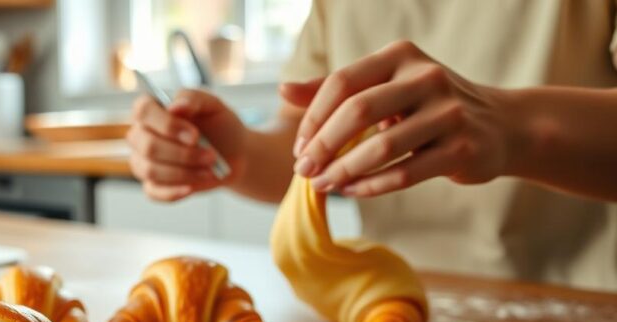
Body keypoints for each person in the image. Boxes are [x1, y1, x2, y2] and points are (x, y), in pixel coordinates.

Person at [126, 0, 617, 291]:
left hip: (584, 316)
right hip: (399, 313)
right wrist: (237, 154)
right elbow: (306, 155)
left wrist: (515, 128)